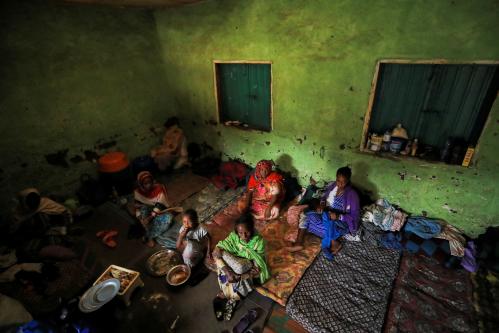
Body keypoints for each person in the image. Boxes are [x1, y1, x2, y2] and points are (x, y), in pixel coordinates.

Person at [286, 166, 360, 258]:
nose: (340, 184)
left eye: (343, 182)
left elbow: (354, 216)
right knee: (306, 214)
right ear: (336, 178)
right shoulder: (333, 186)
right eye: (338, 180)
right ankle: (299, 243)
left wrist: (338, 216)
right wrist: (321, 205)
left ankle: (333, 241)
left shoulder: (352, 195)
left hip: (340, 222)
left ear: (348, 181)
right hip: (327, 214)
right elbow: (324, 198)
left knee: (312, 223)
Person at [213, 214, 270, 301]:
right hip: (235, 259)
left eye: (247, 232)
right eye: (240, 233)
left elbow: (259, 260)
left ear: (252, 229)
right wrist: (227, 271)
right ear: (236, 232)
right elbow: (218, 249)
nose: (244, 236)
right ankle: (230, 287)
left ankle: (235, 291)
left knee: (239, 268)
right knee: (219, 255)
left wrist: (253, 271)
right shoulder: (234, 237)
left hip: (247, 262)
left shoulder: (259, 241)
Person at [134, 171, 181, 248]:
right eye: (145, 184)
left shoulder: (159, 188)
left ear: (153, 181)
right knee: (143, 210)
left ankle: (149, 236)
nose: (148, 185)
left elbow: (160, 205)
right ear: (141, 184)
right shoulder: (138, 193)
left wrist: (149, 218)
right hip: (147, 214)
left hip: (159, 213)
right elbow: (137, 207)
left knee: (168, 218)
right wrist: (140, 218)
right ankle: (149, 230)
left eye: (150, 182)